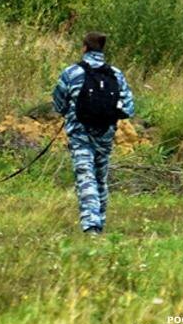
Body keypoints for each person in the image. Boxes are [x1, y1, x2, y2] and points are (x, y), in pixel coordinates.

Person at [52, 32, 135, 235]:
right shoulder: (115, 74)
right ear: (102, 49)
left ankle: (92, 226)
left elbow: (58, 102)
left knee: (85, 175)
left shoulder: (71, 73)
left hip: (79, 133)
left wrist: (69, 112)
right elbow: (129, 108)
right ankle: (100, 222)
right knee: (100, 177)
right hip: (105, 134)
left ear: (84, 48)